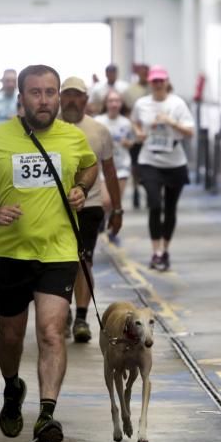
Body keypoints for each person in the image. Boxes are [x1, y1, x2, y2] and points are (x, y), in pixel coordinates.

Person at [0, 64, 98, 442]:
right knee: (11, 335)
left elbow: (90, 166)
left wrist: (81, 189)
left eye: (50, 92)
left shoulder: (72, 138)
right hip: (8, 253)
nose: (44, 100)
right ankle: (11, 386)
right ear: (20, 99)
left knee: (52, 332)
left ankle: (47, 413)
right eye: (35, 93)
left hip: (57, 251)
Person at [59, 76, 123, 343]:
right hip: (55, 208)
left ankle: (82, 316)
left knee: (83, 261)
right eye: (68, 95)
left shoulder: (98, 131)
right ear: (60, 99)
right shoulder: (47, 129)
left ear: (86, 100)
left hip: (90, 206)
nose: (72, 100)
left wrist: (117, 210)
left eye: (77, 96)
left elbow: (109, 171)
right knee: (61, 264)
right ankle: (63, 313)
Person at [130, 65, 194, 271]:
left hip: (174, 162)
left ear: (166, 82)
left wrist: (171, 122)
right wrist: (138, 132)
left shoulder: (177, 104)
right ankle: (155, 251)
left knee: (170, 208)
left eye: (161, 81)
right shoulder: (142, 104)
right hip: (149, 160)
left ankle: (165, 250)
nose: (158, 84)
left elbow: (189, 132)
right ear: (149, 83)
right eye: (154, 81)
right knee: (155, 204)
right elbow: (134, 121)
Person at [94, 89, 134, 242]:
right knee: (106, 201)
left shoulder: (126, 122)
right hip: (104, 166)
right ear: (106, 103)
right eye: (111, 101)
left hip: (122, 166)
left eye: (117, 100)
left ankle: (112, 226)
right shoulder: (99, 121)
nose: (114, 104)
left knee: (116, 201)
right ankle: (103, 218)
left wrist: (127, 143)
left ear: (121, 103)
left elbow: (132, 142)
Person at [123, 64, 150, 208]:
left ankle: (150, 190)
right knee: (136, 164)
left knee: (150, 164)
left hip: (151, 134)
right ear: (138, 73)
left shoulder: (153, 88)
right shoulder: (130, 91)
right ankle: (136, 189)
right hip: (136, 134)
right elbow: (126, 111)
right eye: (142, 73)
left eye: (147, 73)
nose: (145, 75)